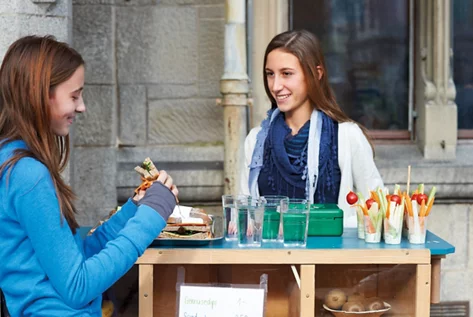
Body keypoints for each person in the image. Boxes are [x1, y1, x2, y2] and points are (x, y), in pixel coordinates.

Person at [0, 35, 178, 316]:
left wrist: (133, 211)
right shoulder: (28, 175)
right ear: (39, 94)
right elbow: (78, 285)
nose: (81, 107)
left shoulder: (13, 164)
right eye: (74, 96)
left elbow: (73, 259)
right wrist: (152, 215)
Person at [239, 30, 384, 227]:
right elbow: (244, 215)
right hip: (270, 257)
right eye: (270, 74)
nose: (275, 86)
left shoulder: (346, 136)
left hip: (333, 257)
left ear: (316, 74)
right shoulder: (256, 140)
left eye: (287, 74)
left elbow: (379, 211)